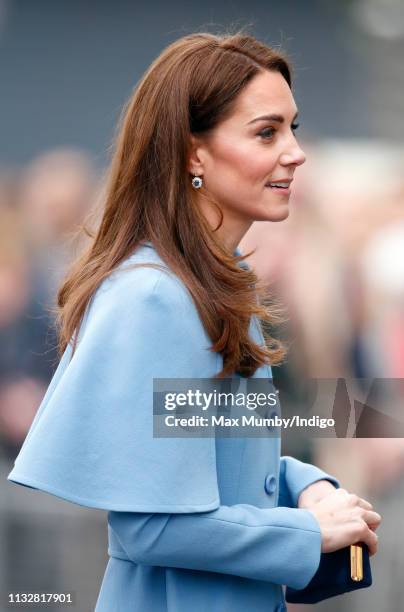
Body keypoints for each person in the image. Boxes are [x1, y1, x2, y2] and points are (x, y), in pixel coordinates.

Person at [7, 31, 381, 612]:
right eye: (266, 131)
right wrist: (310, 535)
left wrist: (302, 483)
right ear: (193, 153)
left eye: (293, 128)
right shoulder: (156, 297)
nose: (295, 151)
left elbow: (216, 457)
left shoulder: (219, 283)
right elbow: (150, 525)